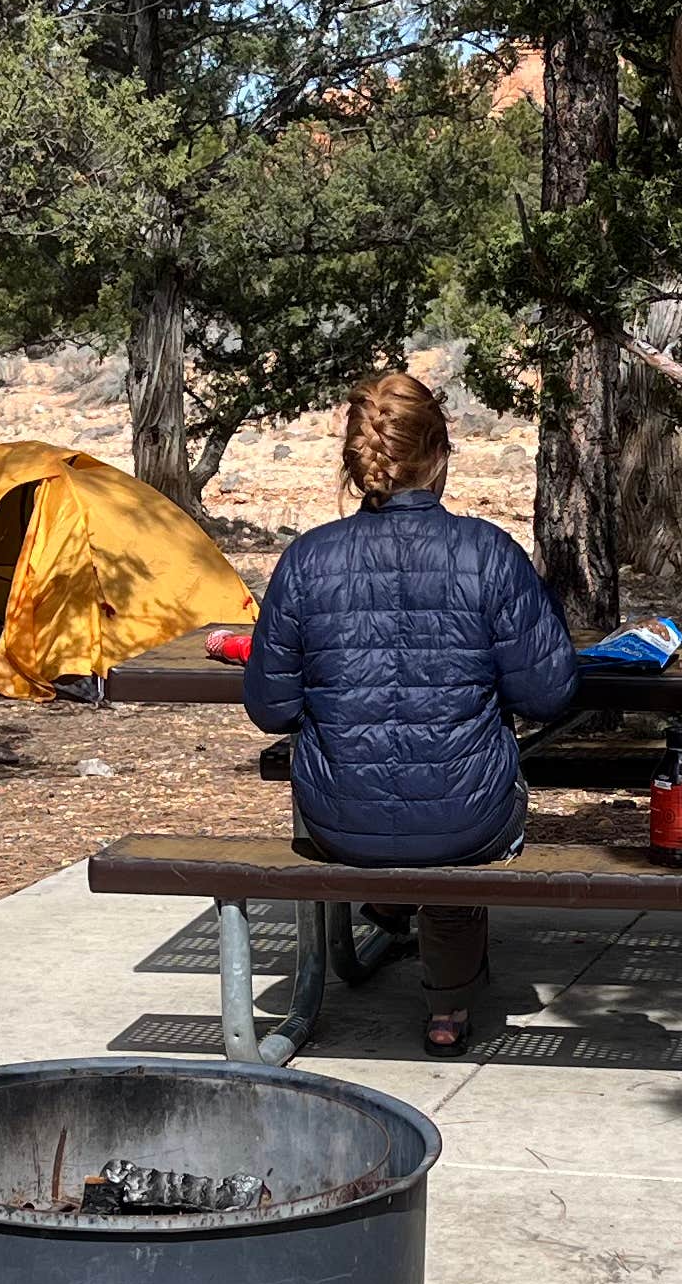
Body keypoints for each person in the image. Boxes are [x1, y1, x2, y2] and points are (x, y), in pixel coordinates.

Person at [242, 371, 579, 1053]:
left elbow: (271, 708)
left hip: (341, 823)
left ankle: (392, 905)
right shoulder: (489, 553)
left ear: (356, 462)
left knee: (408, 808)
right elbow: (549, 695)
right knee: (453, 814)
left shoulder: (308, 560)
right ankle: (447, 1007)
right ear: (442, 454)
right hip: (468, 820)